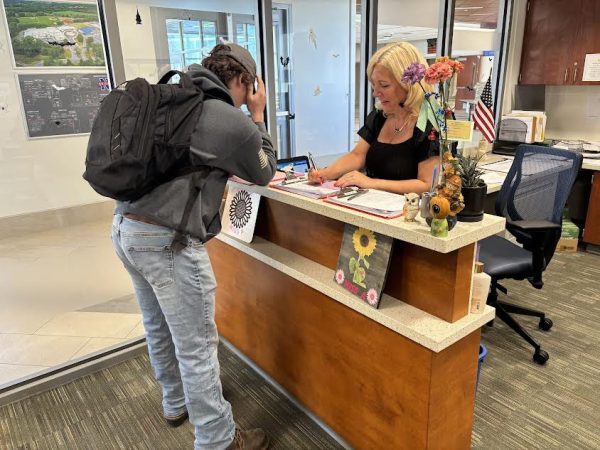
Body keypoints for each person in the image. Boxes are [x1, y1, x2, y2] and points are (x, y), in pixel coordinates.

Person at [111, 43, 275, 450]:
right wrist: (257, 114)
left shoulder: (171, 94)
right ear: (244, 81)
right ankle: (218, 440)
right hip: (167, 240)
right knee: (198, 347)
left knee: (158, 326)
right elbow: (265, 170)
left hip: (124, 228)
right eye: (249, 88)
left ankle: (175, 401)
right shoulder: (226, 118)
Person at [308, 42, 438, 194]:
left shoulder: (431, 122)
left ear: (409, 85)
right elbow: (357, 156)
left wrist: (371, 183)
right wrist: (325, 173)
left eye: (384, 85)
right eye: (374, 85)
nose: (376, 93)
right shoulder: (379, 116)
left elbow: (426, 184)